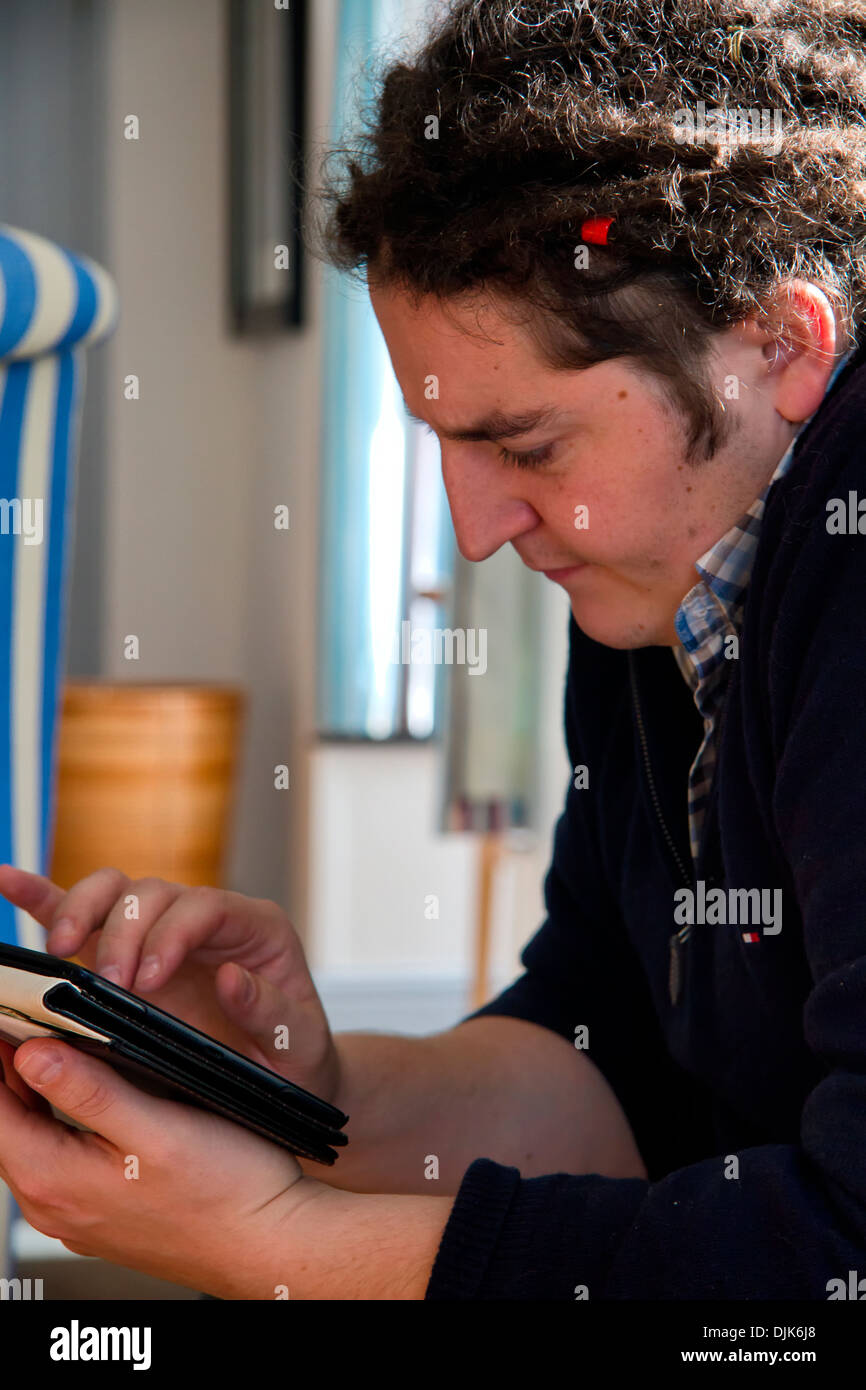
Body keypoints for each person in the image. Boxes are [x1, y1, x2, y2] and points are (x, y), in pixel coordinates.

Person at [1, 0, 865, 1299]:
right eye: (444, 444)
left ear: (782, 345)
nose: (477, 530)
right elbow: (609, 1065)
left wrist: (276, 1242)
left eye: (526, 445)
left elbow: (841, 1252)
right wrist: (308, 1081)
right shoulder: (663, 571)